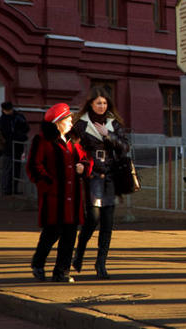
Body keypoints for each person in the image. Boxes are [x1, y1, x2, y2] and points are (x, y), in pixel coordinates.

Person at [70, 87, 130, 280]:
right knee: (93, 218)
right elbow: (73, 147)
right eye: (98, 103)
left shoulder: (113, 123)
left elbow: (125, 148)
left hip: (111, 174)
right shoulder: (81, 124)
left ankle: (101, 263)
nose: (102, 106)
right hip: (92, 173)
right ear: (90, 104)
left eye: (104, 103)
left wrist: (108, 135)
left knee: (108, 222)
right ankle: (79, 252)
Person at [27, 102, 90, 283]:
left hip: (73, 197)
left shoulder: (73, 140)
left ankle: (61, 272)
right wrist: (48, 184)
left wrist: (83, 167)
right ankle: (38, 263)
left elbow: (85, 159)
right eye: (67, 119)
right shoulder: (42, 141)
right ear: (57, 122)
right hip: (54, 197)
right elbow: (34, 166)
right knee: (51, 233)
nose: (71, 122)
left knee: (70, 236)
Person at [0, 101, 30, 195]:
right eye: (7, 110)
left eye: (10, 109)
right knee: (7, 169)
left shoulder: (18, 117)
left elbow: (26, 128)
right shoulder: (1, 121)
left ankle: (13, 189)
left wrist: (20, 136)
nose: (9, 112)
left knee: (16, 169)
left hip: (17, 147)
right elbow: (0, 136)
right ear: (3, 110)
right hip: (7, 148)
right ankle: (6, 189)